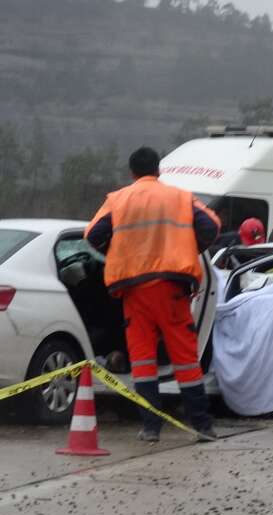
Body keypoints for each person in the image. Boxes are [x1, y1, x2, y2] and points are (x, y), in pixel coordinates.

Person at [85, 147, 220, 442]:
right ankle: (202, 425)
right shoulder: (181, 197)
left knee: (143, 361)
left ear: (132, 173)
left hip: (134, 290)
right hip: (172, 288)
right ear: (158, 170)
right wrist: (188, 249)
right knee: (185, 358)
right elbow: (212, 225)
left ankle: (150, 427)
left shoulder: (118, 199)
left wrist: (119, 253)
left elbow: (92, 234)